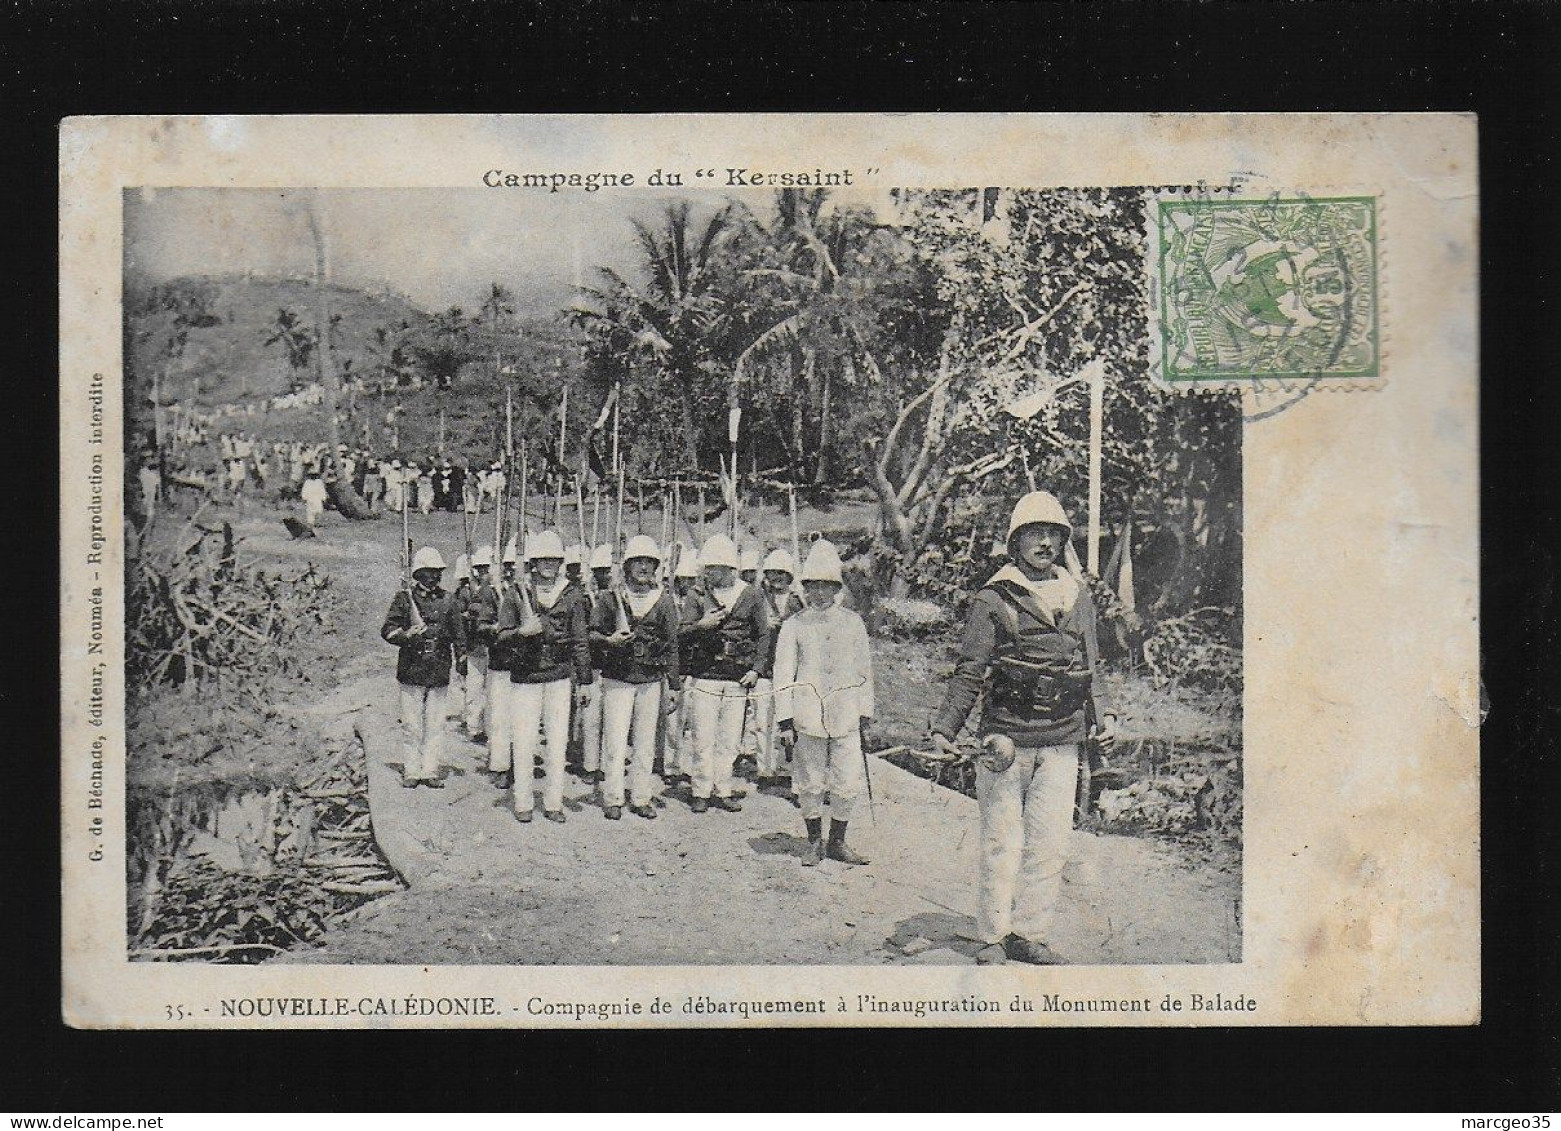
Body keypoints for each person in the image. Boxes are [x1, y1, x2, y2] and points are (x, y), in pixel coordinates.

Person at [929, 491, 1117, 966]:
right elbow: (970, 669)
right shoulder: (994, 597)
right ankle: (992, 934)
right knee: (1000, 838)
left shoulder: (1078, 595)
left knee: (1051, 841)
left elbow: (1092, 664)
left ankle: (1029, 932)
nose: (1046, 542)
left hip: (1063, 735)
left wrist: (1106, 717)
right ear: (1016, 542)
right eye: (1036, 533)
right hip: (1005, 737)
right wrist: (944, 729)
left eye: (1055, 534)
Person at [773, 540, 874, 867]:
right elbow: (783, 673)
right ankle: (814, 840)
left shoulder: (852, 623)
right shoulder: (794, 626)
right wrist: (785, 720)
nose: (818, 594)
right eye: (812, 587)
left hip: (845, 713)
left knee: (846, 780)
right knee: (810, 779)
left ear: (836, 588)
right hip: (808, 716)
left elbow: (864, 670)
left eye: (825, 587)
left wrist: (865, 713)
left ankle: (838, 841)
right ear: (804, 588)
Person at [498, 529, 592, 824]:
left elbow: (580, 639)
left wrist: (585, 679)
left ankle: (553, 802)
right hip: (526, 677)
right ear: (534, 563)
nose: (548, 565)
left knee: (556, 743)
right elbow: (501, 637)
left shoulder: (572, 594)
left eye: (554, 559)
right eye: (543, 560)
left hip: (559, 677)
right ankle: (523, 801)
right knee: (524, 741)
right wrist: (520, 633)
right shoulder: (516, 593)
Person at [590, 535, 681, 820]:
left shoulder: (663, 601)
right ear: (627, 566)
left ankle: (641, 796)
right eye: (638, 562)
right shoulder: (610, 598)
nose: (644, 567)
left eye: (649, 563)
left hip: (650, 680)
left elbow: (672, 644)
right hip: (618, 677)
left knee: (644, 742)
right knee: (615, 740)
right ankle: (613, 796)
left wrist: (674, 685)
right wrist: (610, 640)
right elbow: (591, 634)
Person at [680, 534, 771, 813]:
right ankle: (701, 790)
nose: (709, 574)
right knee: (703, 735)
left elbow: (763, 634)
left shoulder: (752, 594)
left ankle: (723, 787)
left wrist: (756, 669)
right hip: (705, 673)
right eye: (707, 569)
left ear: (730, 568)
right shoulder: (697, 596)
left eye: (715, 569)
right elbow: (682, 632)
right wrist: (702, 625)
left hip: (737, 675)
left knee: (730, 738)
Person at [380, 547, 467, 788]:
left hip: (438, 666)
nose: (435, 577)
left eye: (438, 572)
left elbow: (459, 635)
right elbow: (387, 630)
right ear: (418, 574)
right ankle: (411, 769)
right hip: (412, 667)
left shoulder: (449, 601)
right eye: (429, 572)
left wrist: (461, 661)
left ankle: (430, 769)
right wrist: (406, 635)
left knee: (435, 723)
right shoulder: (404, 599)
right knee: (411, 723)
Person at [745, 548, 802, 789]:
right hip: (765, 668)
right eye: (772, 573)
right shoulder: (758, 598)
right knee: (762, 721)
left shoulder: (797, 602)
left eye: (781, 573)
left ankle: (789, 768)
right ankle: (765, 769)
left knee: (791, 722)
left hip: (790, 670)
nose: (777, 578)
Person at [475, 537, 522, 786]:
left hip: (526, 666)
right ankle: (501, 766)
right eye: (510, 564)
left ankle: (521, 763)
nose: (514, 569)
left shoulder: (532, 592)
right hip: (501, 663)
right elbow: (481, 625)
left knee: (524, 720)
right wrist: (500, 628)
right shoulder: (493, 592)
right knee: (500, 718)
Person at [662, 544, 700, 782]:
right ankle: (670, 767)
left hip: (692, 666)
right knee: (672, 721)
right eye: (683, 579)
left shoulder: (697, 602)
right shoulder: (668, 601)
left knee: (691, 721)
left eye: (691, 579)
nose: (687, 584)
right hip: (673, 667)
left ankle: (685, 765)